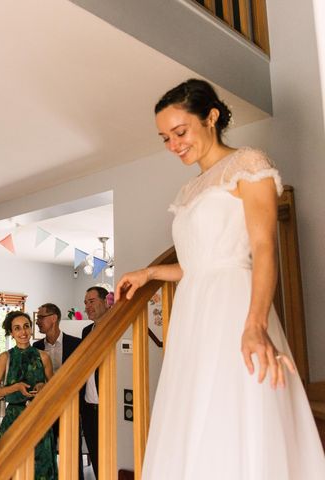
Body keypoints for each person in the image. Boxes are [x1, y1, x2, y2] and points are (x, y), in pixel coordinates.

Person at [115, 78, 325, 479]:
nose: (174, 145)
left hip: (235, 306)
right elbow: (200, 263)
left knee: (238, 405)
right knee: (196, 414)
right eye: (165, 138)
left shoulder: (249, 163)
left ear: (211, 117)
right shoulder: (190, 188)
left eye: (180, 132)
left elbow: (263, 247)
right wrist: (151, 272)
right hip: (196, 309)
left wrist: (256, 323)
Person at [0, 311, 57, 480]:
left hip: (39, 418)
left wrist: (44, 387)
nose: (23, 332)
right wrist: (15, 387)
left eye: (26, 326)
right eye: (17, 328)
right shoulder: (5, 358)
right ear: (11, 333)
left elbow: (55, 390)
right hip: (14, 420)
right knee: (11, 468)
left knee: (40, 470)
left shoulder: (43, 357)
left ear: (31, 329)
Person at [33, 303, 83, 480]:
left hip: (70, 407)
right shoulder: (36, 346)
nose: (37, 321)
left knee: (72, 452)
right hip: (44, 408)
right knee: (45, 453)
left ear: (53, 318)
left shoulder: (76, 344)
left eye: (41, 317)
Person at [80, 286, 110, 479]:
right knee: (96, 456)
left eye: (91, 301)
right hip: (89, 407)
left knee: (111, 454)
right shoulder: (86, 331)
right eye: (85, 303)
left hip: (109, 405)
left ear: (105, 301)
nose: (87, 307)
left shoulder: (117, 325)